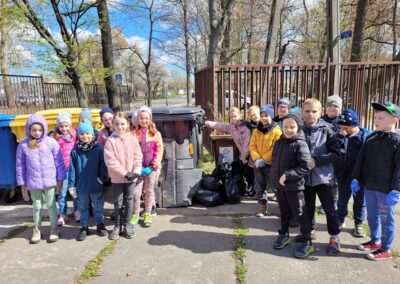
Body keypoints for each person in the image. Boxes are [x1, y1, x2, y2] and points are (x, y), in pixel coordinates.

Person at [353, 102, 400, 261]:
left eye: (381, 118)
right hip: (369, 186)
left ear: (394, 120)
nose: (376, 120)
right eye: (376, 117)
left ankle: (386, 249)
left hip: (386, 190)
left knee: (386, 219)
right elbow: (361, 160)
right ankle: (375, 241)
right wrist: (356, 178)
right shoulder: (371, 137)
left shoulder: (398, 141)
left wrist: (396, 190)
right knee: (372, 216)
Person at [298, 98, 341, 256]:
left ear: (320, 112)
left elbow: (336, 153)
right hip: (305, 179)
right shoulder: (298, 129)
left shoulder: (327, 129)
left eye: (314, 111)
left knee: (330, 210)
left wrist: (318, 161)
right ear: (302, 112)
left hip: (323, 178)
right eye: (307, 111)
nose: (310, 114)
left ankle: (334, 238)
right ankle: (308, 235)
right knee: (307, 209)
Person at [16, 114, 65, 244]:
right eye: (34, 130)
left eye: (39, 129)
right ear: (28, 130)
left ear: (44, 129)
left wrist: (60, 179)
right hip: (33, 182)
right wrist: (22, 184)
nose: (37, 133)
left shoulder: (51, 142)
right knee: (36, 206)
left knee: (51, 205)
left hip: (49, 181)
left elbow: (59, 162)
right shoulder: (23, 145)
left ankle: (54, 228)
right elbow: (20, 165)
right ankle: (37, 229)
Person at [270, 114, 314, 258]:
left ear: (298, 127)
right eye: (285, 127)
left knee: (300, 214)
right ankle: (284, 234)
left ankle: (307, 241)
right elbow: (275, 163)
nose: (288, 130)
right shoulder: (279, 142)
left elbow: (305, 166)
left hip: (295, 188)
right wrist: (275, 179)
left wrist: (288, 175)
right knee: (283, 213)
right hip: (280, 187)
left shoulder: (300, 144)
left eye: (292, 127)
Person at [104, 112, 143, 240]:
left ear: (127, 124)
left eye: (122, 124)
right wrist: (125, 173)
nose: (119, 127)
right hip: (117, 178)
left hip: (132, 178)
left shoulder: (132, 138)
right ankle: (117, 226)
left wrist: (136, 171)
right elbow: (110, 161)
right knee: (118, 202)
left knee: (129, 201)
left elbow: (138, 155)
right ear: (113, 125)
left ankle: (127, 225)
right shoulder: (110, 141)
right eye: (116, 124)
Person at [68, 121, 108, 241]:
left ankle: (100, 225)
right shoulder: (75, 151)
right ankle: (84, 227)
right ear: (78, 136)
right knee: (83, 208)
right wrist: (71, 185)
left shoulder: (99, 149)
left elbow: (103, 166)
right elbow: (72, 169)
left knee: (98, 207)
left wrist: (101, 179)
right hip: (81, 187)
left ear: (92, 135)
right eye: (81, 134)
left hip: (96, 185)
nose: (84, 136)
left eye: (87, 133)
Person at [336, 109, 371, 237]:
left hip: (360, 176)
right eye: (341, 126)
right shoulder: (339, 135)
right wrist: (340, 136)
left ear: (355, 125)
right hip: (343, 174)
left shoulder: (365, 137)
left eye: (347, 127)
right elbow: (335, 148)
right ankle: (340, 219)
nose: (344, 129)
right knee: (342, 200)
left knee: (360, 201)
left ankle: (359, 222)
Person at [131, 106, 164, 227]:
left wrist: (153, 165)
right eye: (141, 118)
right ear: (137, 119)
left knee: (149, 191)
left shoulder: (155, 134)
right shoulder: (133, 134)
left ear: (150, 119)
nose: (144, 120)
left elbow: (160, 150)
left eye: (146, 118)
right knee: (136, 192)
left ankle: (147, 213)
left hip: (151, 168)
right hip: (138, 169)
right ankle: (134, 214)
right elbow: (131, 151)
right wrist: (136, 167)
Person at [249, 104, 282, 216]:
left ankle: (282, 206)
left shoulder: (277, 131)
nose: (263, 118)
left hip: (271, 165)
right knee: (260, 186)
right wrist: (257, 159)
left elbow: (275, 148)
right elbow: (252, 145)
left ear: (271, 116)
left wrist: (264, 159)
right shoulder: (256, 131)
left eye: (266, 115)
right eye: (262, 115)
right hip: (258, 164)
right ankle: (262, 206)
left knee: (275, 186)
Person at [55, 112, 78, 225]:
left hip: (73, 168)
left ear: (70, 125)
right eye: (61, 126)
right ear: (58, 127)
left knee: (74, 190)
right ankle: (62, 213)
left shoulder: (75, 136)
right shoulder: (56, 138)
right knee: (62, 193)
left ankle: (77, 211)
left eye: (66, 125)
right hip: (62, 169)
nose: (64, 128)